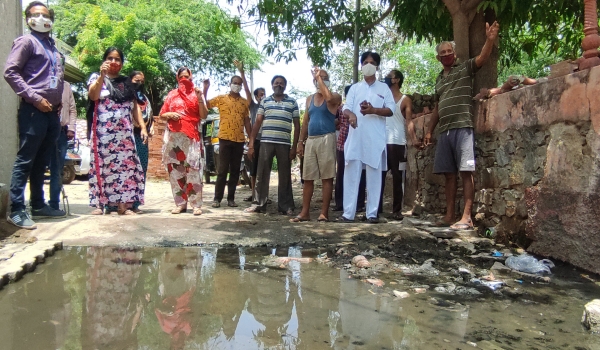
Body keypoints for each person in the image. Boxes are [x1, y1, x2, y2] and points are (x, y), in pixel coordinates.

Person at [423, 21, 500, 230]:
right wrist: (430, 130)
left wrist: (489, 40)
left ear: (454, 54)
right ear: (438, 58)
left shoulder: (465, 68)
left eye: (450, 51)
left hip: (463, 126)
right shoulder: (439, 79)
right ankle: (449, 215)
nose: (447, 54)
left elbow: (483, 58)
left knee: (466, 171)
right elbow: (438, 107)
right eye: (443, 53)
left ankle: (466, 217)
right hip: (444, 130)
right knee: (448, 174)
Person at [4, 1, 66, 229]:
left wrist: (57, 103)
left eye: (46, 14)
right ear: (28, 18)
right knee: (25, 160)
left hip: (52, 112)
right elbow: (10, 72)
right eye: (36, 14)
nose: (42, 17)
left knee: (42, 160)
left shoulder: (52, 47)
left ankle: (39, 205)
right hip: (34, 110)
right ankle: (17, 210)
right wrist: (35, 98)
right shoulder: (26, 42)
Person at [87, 47, 148, 216]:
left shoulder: (126, 82)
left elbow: (135, 106)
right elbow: (93, 96)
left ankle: (123, 206)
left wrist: (142, 126)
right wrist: (101, 76)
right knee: (102, 166)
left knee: (125, 169)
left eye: (117, 59)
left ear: (121, 63)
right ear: (104, 60)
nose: (114, 62)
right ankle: (100, 204)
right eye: (110, 58)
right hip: (103, 133)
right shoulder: (96, 77)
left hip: (124, 133)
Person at [339, 51, 396, 224]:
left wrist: (374, 110)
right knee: (351, 174)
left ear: (377, 66)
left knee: (374, 175)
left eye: (371, 62)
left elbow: (391, 110)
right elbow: (346, 108)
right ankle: (348, 214)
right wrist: (351, 116)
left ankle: (372, 214)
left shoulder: (383, 88)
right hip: (356, 137)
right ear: (361, 65)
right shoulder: (355, 88)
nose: (368, 65)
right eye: (365, 62)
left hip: (375, 138)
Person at [291, 68, 341, 222]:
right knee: (308, 178)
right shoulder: (309, 99)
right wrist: (300, 141)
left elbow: (328, 98)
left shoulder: (335, 97)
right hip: (311, 140)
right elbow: (306, 121)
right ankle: (304, 212)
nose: (321, 80)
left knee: (327, 177)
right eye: (319, 77)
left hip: (327, 138)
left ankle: (324, 213)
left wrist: (319, 78)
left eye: (325, 78)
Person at [245, 75, 300, 215]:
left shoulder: (292, 102)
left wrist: (294, 147)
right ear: (272, 85)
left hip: (284, 143)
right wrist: (251, 145)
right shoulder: (265, 101)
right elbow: (257, 123)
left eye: (282, 83)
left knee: (285, 176)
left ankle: (286, 206)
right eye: (276, 83)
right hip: (266, 143)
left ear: (285, 86)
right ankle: (258, 204)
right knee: (262, 174)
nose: (279, 85)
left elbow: (297, 126)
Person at [203, 60, 252, 208]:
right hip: (224, 138)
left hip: (239, 140)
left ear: (241, 86)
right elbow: (206, 104)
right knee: (222, 169)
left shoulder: (244, 102)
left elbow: (247, 121)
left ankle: (231, 199)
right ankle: (217, 199)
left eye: (239, 83)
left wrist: (250, 138)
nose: (236, 85)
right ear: (230, 84)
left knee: (235, 170)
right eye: (234, 82)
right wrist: (205, 89)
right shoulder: (221, 98)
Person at [160, 67, 208, 215]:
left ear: (191, 77)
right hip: (174, 139)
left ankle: (196, 205)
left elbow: (204, 115)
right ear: (177, 78)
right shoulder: (172, 94)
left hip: (192, 139)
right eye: (181, 77)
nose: (184, 79)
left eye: (187, 76)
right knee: (176, 172)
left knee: (193, 172)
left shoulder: (197, 93)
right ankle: (180, 204)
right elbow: (162, 114)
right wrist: (170, 114)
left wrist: (200, 98)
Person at [377, 69, 417, 220]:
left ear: (397, 80)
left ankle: (396, 210)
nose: (387, 79)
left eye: (390, 77)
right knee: (378, 175)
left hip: (398, 143)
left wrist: (413, 139)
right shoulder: (382, 98)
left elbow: (409, 121)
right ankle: (376, 208)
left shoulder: (405, 100)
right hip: (381, 141)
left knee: (397, 176)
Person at [333, 85, 366, 212]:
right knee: (344, 173)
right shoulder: (342, 108)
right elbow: (335, 121)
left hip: (353, 144)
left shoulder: (361, 109)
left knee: (355, 173)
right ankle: (350, 203)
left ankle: (349, 203)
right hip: (345, 144)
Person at [49, 80, 77, 212]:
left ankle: (54, 204)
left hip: (61, 132)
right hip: (43, 130)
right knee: (37, 167)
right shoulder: (42, 80)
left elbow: (72, 109)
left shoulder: (66, 85)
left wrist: (71, 128)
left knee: (57, 169)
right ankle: (36, 204)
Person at [130, 71, 153, 213]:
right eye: (136, 80)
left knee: (141, 168)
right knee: (127, 169)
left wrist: (152, 126)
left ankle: (136, 203)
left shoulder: (144, 98)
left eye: (142, 81)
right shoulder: (125, 96)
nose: (139, 83)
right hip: (128, 134)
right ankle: (121, 203)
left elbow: (150, 115)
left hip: (142, 136)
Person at [243, 86, 266, 203]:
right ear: (256, 97)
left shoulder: (269, 106)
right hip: (255, 140)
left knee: (264, 169)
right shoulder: (253, 106)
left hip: (267, 140)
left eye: (264, 94)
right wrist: (242, 73)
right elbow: (247, 92)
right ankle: (253, 195)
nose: (262, 96)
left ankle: (263, 196)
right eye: (260, 95)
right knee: (253, 170)